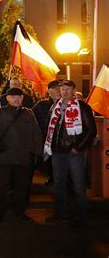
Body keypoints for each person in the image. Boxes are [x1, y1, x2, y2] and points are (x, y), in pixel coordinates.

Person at [44, 80, 96, 227]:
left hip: (74, 153)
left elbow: (91, 130)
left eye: (68, 89)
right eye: (62, 89)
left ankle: (81, 217)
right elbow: (49, 128)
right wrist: (49, 146)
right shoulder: (55, 106)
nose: (64, 92)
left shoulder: (82, 107)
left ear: (74, 90)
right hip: (57, 152)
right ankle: (62, 214)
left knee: (78, 185)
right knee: (59, 185)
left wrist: (77, 147)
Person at [0, 87, 42, 223]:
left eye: (19, 97)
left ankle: (20, 212)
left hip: (23, 158)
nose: (16, 99)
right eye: (13, 97)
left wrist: (37, 153)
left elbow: (36, 133)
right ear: (7, 98)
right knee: (2, 187)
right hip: (6, 157)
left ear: (22, 98)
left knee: (22, 187)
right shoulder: (1, 113)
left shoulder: (29, 113)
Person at [32, 79, 61, 185]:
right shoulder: (41, 105)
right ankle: (51, 177)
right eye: (56, 89)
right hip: (45, 139)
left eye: (60, 89)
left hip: (61, 141)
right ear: (49, 91)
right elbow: (31, 119)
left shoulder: (67, 105)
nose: (59, 91)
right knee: (49, 160)